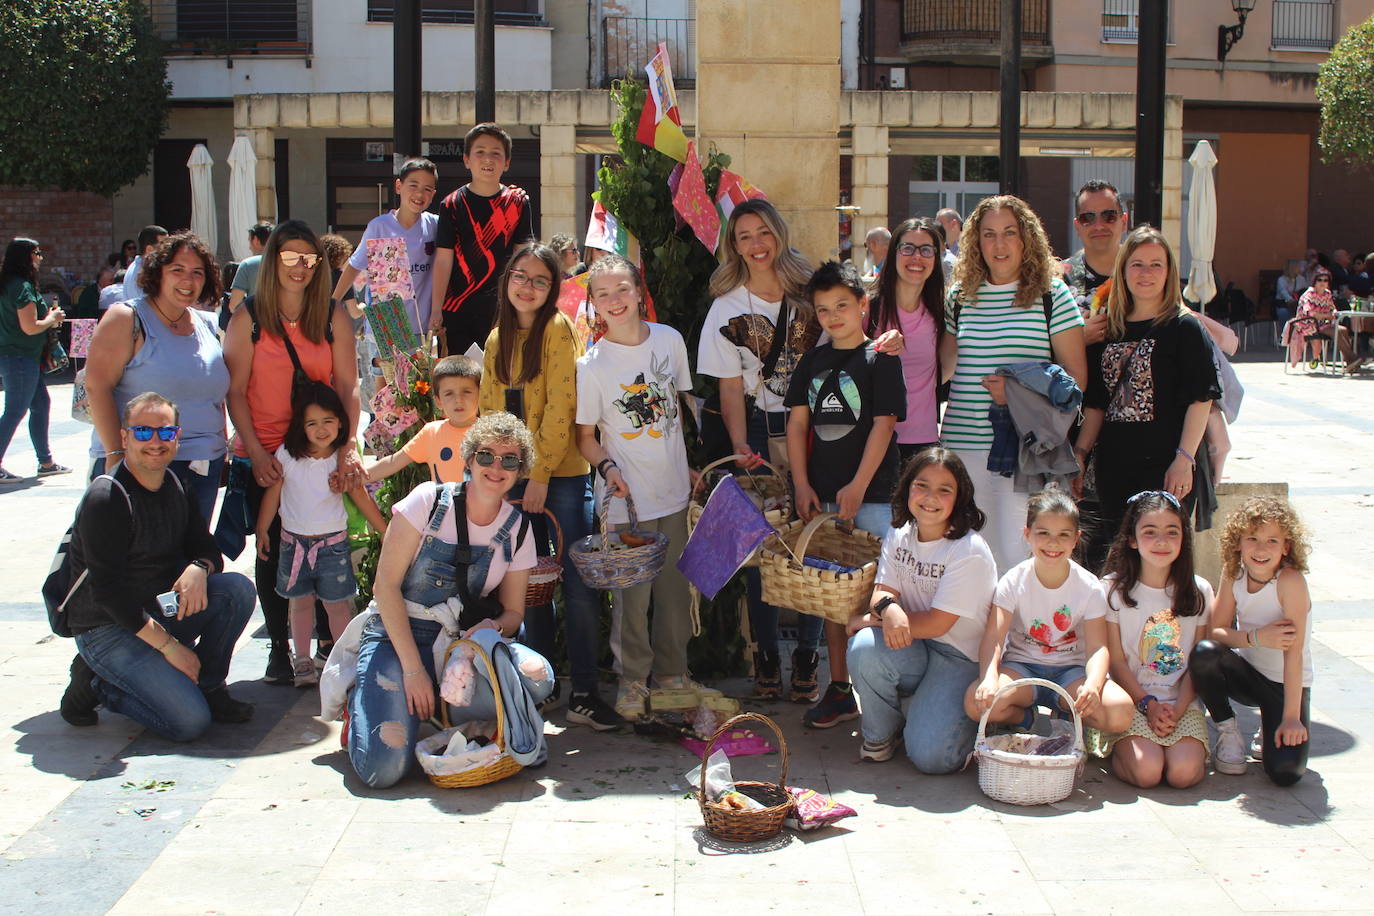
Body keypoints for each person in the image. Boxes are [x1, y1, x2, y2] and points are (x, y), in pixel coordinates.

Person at [347, 412, 553, 788]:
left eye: (510, 460)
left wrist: (492, 627)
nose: (496, 466)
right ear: (469, 458)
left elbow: (513, 613)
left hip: (461, 648)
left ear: (520, 470)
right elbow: (385, 587)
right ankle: (365, 700)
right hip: (397, 638)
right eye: (486, 455)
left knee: (540, 677)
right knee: (384, 770)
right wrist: (413, 670)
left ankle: (437, 713)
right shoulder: (428, 501)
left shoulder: (518, 529)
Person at [57, 392, 256, 738]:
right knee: (188, 723)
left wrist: (199, 567)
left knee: (236, 592)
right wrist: (170, 648)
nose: (155, 442)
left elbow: (206, 547)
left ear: (177, 437)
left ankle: (208, 686)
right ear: (124, 437)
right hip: (105, 627)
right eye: (143, 432)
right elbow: (108, 593)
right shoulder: (107, 498)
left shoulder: (177, 483)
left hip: (154, 610)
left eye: (165, 433)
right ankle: (98, 682)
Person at [224, 219, 362, 684]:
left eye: (308, 258)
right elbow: (236, 391)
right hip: (264, 452)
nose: (299, 267)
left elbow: (347, 384)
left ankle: (325, 645)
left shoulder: (331, 315)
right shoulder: (250, 317)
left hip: (320, 451)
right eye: (289, 257)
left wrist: (346, 448)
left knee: (322, 544)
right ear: (272, 261)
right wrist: (258, 454)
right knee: (272, 551)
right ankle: (281, 651)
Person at [698, 199, 824, 699]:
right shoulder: (726, 306)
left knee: (814, 540)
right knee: (763, 543)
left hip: (815, 427)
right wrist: (738, 444)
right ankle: (767, 656)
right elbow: (729, 388)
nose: (755, 244)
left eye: (762, 232)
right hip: (757, 425)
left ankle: (810, 654)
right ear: (734, 244)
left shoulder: (811, 289)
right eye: (744, 235)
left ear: (778, 233)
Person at [479, 241, 603, 717]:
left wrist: (540, 474)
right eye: (520, 276)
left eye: (540, 280)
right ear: (507, 279)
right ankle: (542, 680)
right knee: (528, 584)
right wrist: (500, 474)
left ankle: (587, 689)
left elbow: (561, 408)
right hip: (513, 479)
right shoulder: (497, 339)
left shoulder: (558, 329)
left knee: (576, 583)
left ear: (553, 288)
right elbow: (490, 414)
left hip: (562, 476)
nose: (528, 287)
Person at [576, 253, 701, 723]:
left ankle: (672, 676)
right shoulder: (591, 366)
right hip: (627, 506)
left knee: (673, 595)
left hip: (674, 495)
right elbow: (585, 438)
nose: (614, 300)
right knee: (632, 601)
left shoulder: (669, 341)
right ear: (592, 303)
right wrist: (608, 468)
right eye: (603, 293)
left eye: (622, 289)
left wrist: (687, 466)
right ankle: (632, 681)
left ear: (638, 290)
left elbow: (680, 407)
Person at [939, 195, 1086, 575]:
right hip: (962, 445)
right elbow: (943, 367)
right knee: (972, 558)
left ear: (1026, 239)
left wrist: (1018, 395)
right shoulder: (960, 296)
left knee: (1018, 556)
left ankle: (1020, 636)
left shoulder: (1052, 294)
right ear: (976, 242)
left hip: (1022, 452)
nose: (999, 245)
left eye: (1009, 233)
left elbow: (1076, 381)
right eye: (989, 235)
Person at [786, 260, 905, 728]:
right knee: (833, 599)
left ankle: (881, 690)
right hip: (823, 500)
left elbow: (884, 425)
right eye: (822, 309)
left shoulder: (881, 359)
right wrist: (801, 482)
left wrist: (857, 486)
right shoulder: (812, 362)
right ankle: (838, 688)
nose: (833, 316)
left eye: (841, 306)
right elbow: (798, 425)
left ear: (862, 306)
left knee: (877, 594)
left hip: (872, 495)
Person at [1074, 227, 1222, 566]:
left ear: (1169, 271)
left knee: (1161, 565)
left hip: (1165, 467)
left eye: (1156, 264)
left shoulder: (1184, 327)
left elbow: (1201, 399)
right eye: (1137, 264)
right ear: (1123, 270)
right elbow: (1097, 403)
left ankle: (1164, 622)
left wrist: (1184, 459)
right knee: (1120, 566)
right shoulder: (1109, 326)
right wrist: (1080, 454)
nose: (1146, 273)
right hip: (1114, 466)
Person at [846, 448, 996, 770]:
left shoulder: (969, 550)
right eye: (922, 485)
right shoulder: (900, 532)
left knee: (933, 759)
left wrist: (870, 621)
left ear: (961, 498)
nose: (931, 497)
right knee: (863, 650)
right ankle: (882, 733)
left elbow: (937, 623)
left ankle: (987, 717)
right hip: (916, 644)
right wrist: (887, 610)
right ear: (907, 487)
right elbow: (882, 591)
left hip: (960, 657)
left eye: (945, 489)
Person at [965, 485, 1133, 734]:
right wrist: (989, 677)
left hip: (1071, 673)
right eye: (1043, 532)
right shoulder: (1013, 580)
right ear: (1027, 533)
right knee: (976, 703)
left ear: (1076, 538)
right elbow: (994, 638)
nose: (1053, 543)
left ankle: (1067, 714)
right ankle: (1024, 719)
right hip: (1022, 668)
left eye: (1063, 535)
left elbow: (1098, 647)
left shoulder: (1089, 586)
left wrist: (1094, 685)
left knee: (1120, 712)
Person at [83, 232, 227, 520]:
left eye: (197, 273)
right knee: (141, 560)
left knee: (190, 558)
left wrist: (222, 450)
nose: (188, 280)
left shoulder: (208, 324)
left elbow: (215, 395)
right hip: (141, 463)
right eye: (177, 270)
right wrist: (115, 455)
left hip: (202, 466)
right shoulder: (127, 318)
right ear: (157, 273)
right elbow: (96, 387)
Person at [255, 382, 386, 687]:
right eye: (312, 423)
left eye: (328, 421)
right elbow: (273, 494)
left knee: (336, 606)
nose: (321, 429)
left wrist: (385, 530)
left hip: (333, 545)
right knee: (299, 604)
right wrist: (262, 528)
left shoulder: (341, 458)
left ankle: (342, 662)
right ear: (301, 426)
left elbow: (360, 497)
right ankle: (302, 662)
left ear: (341, 422)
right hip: (292, 543)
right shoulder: (287, 455)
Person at [1093, 490, 1213, 789]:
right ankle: (1115, 748)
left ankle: (1186, 748)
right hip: (1133, 701)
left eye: (1172, 532)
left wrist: (1179, 708)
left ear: (1184, 538)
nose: (1162, 541)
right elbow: (1116, 661)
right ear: (1132, 540)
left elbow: (1198, 661)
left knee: (1183, 774)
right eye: (1150, 532)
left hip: (1181, 702)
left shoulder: (1200, 591)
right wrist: (1147, 704)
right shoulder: (1112, 590)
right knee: (1147, 773)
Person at [1190, 496, 1313, 785]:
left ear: (1287, 547)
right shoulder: (1234, 573)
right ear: (1238, 542)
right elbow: (1215, 632)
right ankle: (1227, 729)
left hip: (1287, 684)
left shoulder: (1290, 581)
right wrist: (1257, 637)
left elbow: (1293, 654)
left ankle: (1270, 724)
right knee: (1205, 652)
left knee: (1286, 773)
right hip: (1250, 676)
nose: (1260, 549)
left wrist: (1292, 717)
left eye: (1272, 541)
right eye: (1252, 538)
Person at [430, 124, 535, 356]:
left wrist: (526, 305)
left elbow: (524, 258)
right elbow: (443, 260)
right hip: (457, 308)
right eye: (480, 152)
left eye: (496, 153)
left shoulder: (517, 203)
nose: (488, 159)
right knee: (460, 379)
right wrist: (436, 309)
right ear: (466, 159)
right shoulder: (451, 204)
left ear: (507, 162)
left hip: (503, 308)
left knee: (502, 377)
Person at [868, 217, 945, 465]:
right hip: (872, 439)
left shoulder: (942, 313)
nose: (917, 258)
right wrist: (873, 348)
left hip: (923, 441)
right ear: (894, 254)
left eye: (926, 250)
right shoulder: (870, 309)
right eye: (907, 248)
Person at [332, 157, 439, 335]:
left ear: (433, 194)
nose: (419, 194)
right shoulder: (379, 227)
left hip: (422, 329)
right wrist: (332, 304)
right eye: (413, 185)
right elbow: (354, 266)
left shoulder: (436, 226)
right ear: (399, 186)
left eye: (427, 189)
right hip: (384, 331)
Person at [0, 238, 68, 485]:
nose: (40, 257)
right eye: (37, 253)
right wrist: (53, 317)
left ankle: (46, 463)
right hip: (20, 356)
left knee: (40, 404)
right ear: (27, 256)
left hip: (19, 356)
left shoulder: (8, 284)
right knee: (15, 410)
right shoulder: (22, 287)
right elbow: (30, 327)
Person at [367, 355, 481, 485]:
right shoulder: (431, 432)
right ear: (438, 401)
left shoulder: (490, 434)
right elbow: (393, 463)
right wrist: (355, 477)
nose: (458, 399)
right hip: (445, 504)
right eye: (449, 393)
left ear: (480, 394)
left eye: (466, 391)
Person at [1061, 179, 1129, 347]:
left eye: (1109, 216)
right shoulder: (1057, 279)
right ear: (1077, 226)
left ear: (1124, 222)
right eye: (1087, 218)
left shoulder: (1145, 273)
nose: (1098, 225)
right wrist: (1076, 338)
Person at [1289, 269, 1359, 371]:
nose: (1322, 282)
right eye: (1319, 280)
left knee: (1343, 329)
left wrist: (1333, 313)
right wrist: (1326, 316)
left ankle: (1349, 362)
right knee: (1336, 331)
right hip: (1307, 324)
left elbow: (1332, 308)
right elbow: (1310, 313)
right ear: (1315, 282)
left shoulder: (1327, 294)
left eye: (1325, 280)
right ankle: (1353, 359)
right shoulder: (1309, 294)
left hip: (1322, 324)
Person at [225, 222, 275, 316]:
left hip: (257, 323)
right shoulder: (288, 264)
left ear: (256, 240)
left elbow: (234, 305)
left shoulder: (247, 265)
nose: (249, 247)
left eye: (249, 241)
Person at [122, 225, 168, 303]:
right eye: (163, 245)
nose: (168, 249)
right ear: (149, 249)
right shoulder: (142, 272)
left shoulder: (136, 267)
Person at [936, 208, 962, 272]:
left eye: (940, 224)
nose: (937, 229)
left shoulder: (970, 247)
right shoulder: (940, 248)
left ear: (953, 224)